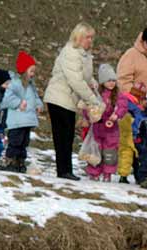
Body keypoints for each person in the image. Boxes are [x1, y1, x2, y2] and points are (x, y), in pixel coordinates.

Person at [44, 22, 104, 180]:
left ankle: (66, 170)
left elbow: (84, 75)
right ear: (78, 37)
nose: (90, 40)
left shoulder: (84, 54)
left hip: (69, 100)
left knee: (68, 135)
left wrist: (92, 82)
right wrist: (92, 100)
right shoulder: (70, 52)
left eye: (92, 37)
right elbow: (76, 81)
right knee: (62, 135)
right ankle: (63, 171)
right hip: (59, 97)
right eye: (87, 37)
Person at [0, 51, 43, 173]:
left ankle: (20, 161)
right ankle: (11, 160)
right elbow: (7, 99)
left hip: (27, 120)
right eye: (31, 71)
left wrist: (39, 105)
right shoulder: (15, 83)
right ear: (24, 71)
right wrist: (19, 103)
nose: (33, 74)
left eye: (34, 71)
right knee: (15, 141)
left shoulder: (31, 85)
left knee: (24, 142)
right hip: (17, 120)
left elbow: (35, 97)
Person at [84, 64, 128, 182]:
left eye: (113, 80)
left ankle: (107, 173)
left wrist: (116, 115)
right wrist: (90, 116)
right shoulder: (96, 95)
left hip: (111, 128)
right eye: (109, 80)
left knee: (110, 151)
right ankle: (94, 172)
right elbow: (88, 107)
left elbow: (123, 106)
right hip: (98, 127)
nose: (111, 83)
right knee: (95, 150)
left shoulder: (118, 95)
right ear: (103, 81)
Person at [117, 82, 147, 184]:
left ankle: (123, 176)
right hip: (132, 132)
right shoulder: (134, 105)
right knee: (136, 154)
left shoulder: (125, 101)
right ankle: (138, 176)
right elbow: (138, 119)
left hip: (124, 132)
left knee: (125, 154)